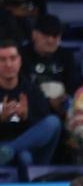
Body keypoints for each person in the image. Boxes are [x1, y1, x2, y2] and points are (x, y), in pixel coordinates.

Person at [0, 39, 60, 174]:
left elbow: (44, 129)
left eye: (12, 58)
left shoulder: (31, 89)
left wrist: (26, 117)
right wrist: (1, 119)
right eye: (2, 60)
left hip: (27, 147)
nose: (8, 64)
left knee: (53, 122)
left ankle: (11, 149)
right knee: (24, 158)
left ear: (20, 61)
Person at [20, 14, 78, 120]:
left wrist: (64, 100)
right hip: (31, 111)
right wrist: (47, 102)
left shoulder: (66, 56)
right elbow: (20, 89)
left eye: (55, 36)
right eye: (46, 35)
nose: (50, 40)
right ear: (34, 34)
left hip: (62, 109)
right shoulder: (21, 56)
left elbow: (74, 86)